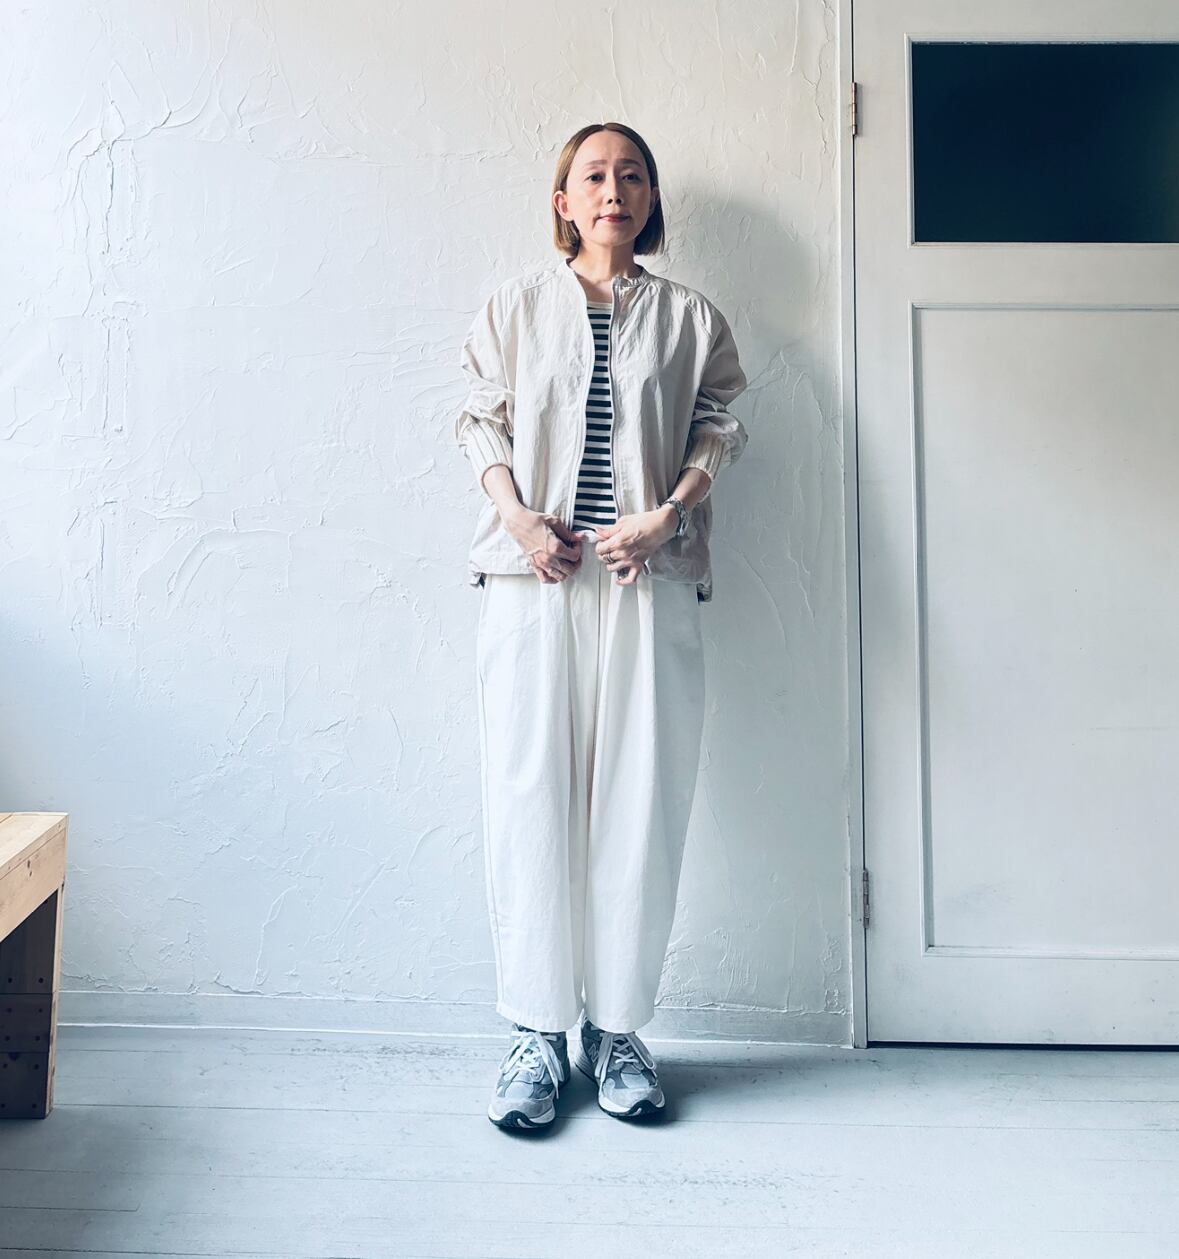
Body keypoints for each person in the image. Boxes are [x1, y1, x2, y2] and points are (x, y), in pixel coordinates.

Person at [454, 122, 750, 1129]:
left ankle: (616, 1030)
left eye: (631, 175)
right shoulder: (515, 309)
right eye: (593, 175)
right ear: (563, 202)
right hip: (533, 583)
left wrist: (667, 515)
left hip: (646, 580)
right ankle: (537, 1033)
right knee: (529, 798)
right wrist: (517, 518)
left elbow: (720, 425)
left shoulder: (690, 319)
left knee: (639, 801)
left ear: (650, 198)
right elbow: (480, 421)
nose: (612, 189)